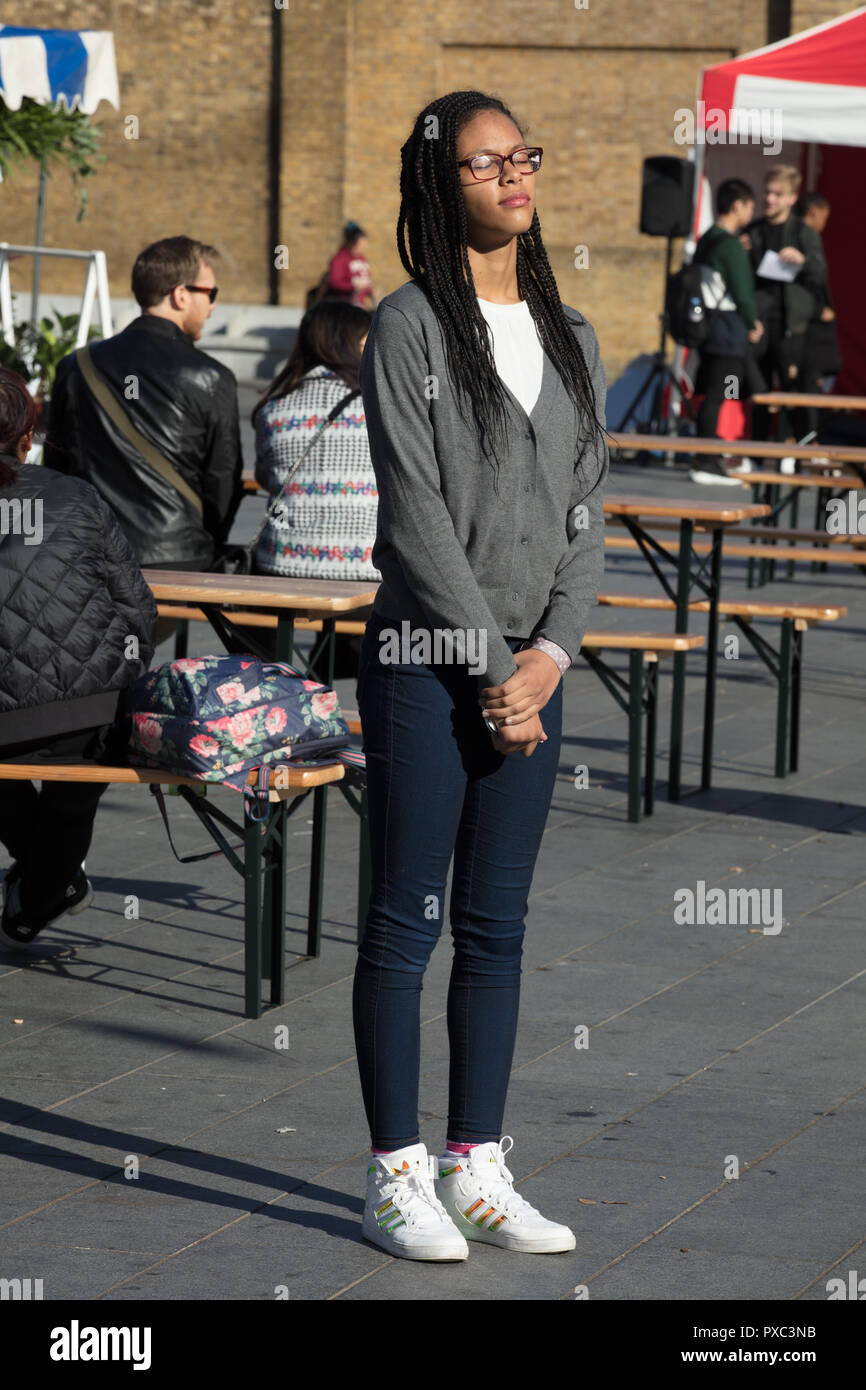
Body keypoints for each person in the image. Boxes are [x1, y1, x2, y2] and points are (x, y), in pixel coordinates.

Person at [353, 90, 608, 1261]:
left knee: (496, 928)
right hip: (423, 661)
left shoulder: (572, 335)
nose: (512, 175)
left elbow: (584, 518)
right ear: (437, 186)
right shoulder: (406, 326)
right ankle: (396, 1172)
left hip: (527, 678)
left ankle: (478, 1165)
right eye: (482, 162)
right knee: (404, 924)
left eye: (523, 155)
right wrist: (493, 667)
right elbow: (412, 521)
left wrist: (548, 659)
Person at [0, 368, 157, 949]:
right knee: (77, 783)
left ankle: (43, 881)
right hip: (85, 710)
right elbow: (137, 609)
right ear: (27, 437)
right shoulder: (75, 495)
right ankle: (41, 890)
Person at [44, 236, 244, 571]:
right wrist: (205, 538)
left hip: (92, 553)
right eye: (211, 293)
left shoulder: (76, 365)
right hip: (179, 556)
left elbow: (57, 467)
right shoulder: (212, 376)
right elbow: (223, 480)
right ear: (181, 294)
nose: (212, 306)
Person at [251, 298, 379, 677]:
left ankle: (299, 688)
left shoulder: (274, 407)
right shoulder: (381, 405)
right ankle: (342, 693)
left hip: (283, 569)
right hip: (368, 573)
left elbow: (264, 476)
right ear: (351, 344)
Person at [747, 167, 831, 444]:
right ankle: (757, 452)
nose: (769, 199)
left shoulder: (803, 233)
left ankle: (803, 448)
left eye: (777, 194)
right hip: (760, 321)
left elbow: (820, 276)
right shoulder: (754, 231)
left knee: (793, 390)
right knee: (758, 390)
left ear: (791, 198)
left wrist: (803, 260)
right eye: (767, 192)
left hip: (791, 326)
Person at [690, 178, 763, 484]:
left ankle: (710, 456)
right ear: (737, 206)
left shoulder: (708, 238)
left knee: (711, 392)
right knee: (718, 396)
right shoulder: (730, 245)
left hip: (707, 325)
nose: (752, 210)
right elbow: (743, 292)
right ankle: (707, 462)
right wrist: (753, 322)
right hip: (727, 327)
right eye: (749, 204)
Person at [796, 192, 842, 430]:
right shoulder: (804, 237)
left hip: (814, 334)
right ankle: (807, 442)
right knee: (807, 388)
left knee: (811, 387)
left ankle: (805, 440)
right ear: (814, 213)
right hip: (807, 334)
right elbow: (795, 286)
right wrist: (816, 310)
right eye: (824, 217)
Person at [324, 222, 376, 308]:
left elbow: (365, 280)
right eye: (360, 245)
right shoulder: (339, 259)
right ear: (351, 243)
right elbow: (334, 282)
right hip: (343, 306)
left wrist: (370, 290)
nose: (363, 248)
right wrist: (353, 286)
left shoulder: (362, 259)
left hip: (359, 305)